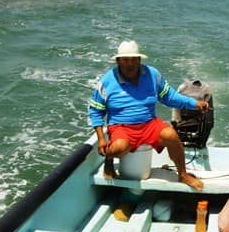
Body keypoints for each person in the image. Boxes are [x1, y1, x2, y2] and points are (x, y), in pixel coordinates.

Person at [88, 40, 209, 191]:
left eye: (134, 59)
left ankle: (183, 174)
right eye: (126, 59)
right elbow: (95, 111)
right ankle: (109, 160)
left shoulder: (152, 74)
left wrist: (194, 103)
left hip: (149, 123)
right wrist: (101, 139)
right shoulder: (107, 81)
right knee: (119, 147)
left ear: (139, 60)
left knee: (171, 135)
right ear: (118, 61)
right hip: (121, 127)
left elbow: (169, 97)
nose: (130, 64)